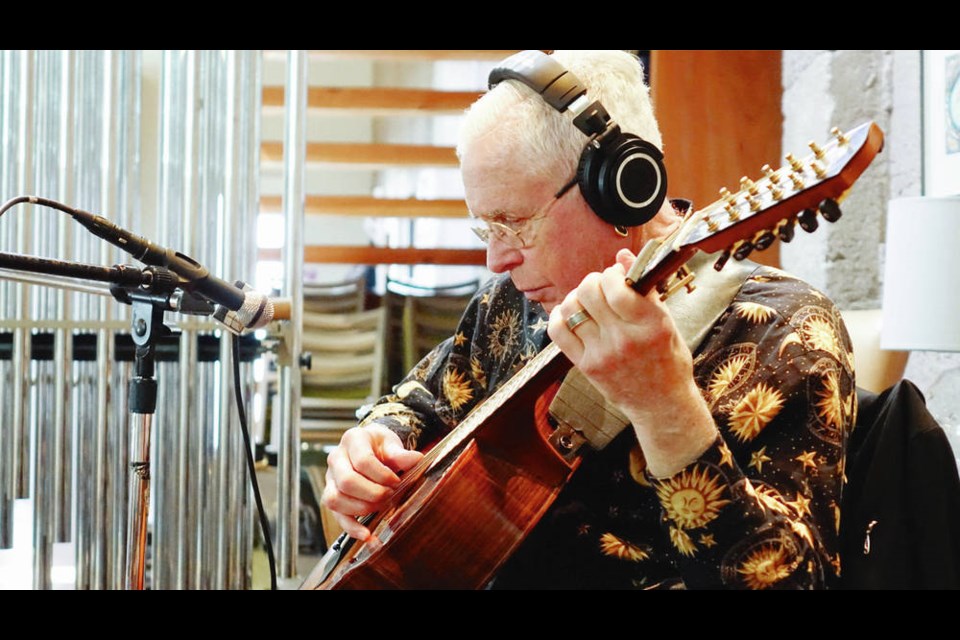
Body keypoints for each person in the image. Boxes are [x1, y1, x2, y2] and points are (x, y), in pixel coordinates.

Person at [320, 49, 854, 589]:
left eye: (514, 223)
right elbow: (421, 401)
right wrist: (373, 444)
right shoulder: (508, 305)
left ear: (624, 189)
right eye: (488, 228)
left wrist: (665, 407)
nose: (496, 260)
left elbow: (790, 581)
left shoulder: (781, 329)